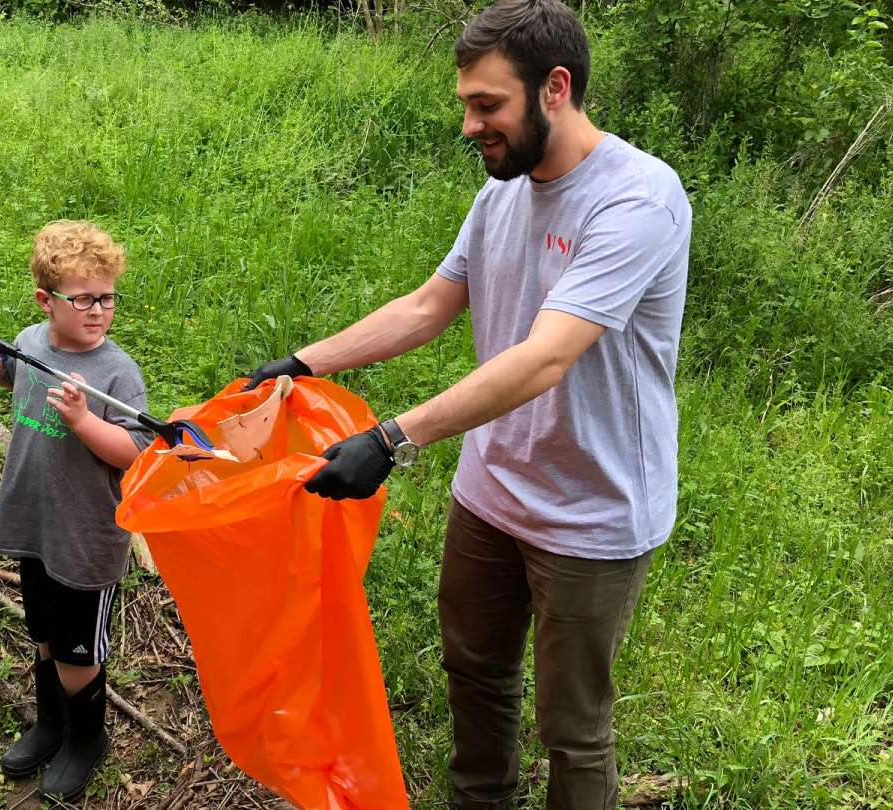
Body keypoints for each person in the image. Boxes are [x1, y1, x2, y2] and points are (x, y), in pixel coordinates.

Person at [244, 2, 692, 807]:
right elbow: (429, 306)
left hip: (594, 510)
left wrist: (392, 437)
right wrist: (304, 362)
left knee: (573, 725)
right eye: (465, 105)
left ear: (555, 88)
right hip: (490, 493)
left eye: (487, 105)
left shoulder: (637, 200)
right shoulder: (502, 195)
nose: (468, 126)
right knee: (475, 673)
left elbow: (545, 357)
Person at [0, 219, 150, 803]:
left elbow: (137, 452)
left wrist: (85, 421)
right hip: (34, 521)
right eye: (84, 298)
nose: (99, 310)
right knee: (44, 634)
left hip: (85, 535)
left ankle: (86, 740)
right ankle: (50, 724)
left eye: (107, 297)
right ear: (47, 301)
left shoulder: (117, 372)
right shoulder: (32, 341)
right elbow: (12, 376)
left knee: (77, 651)